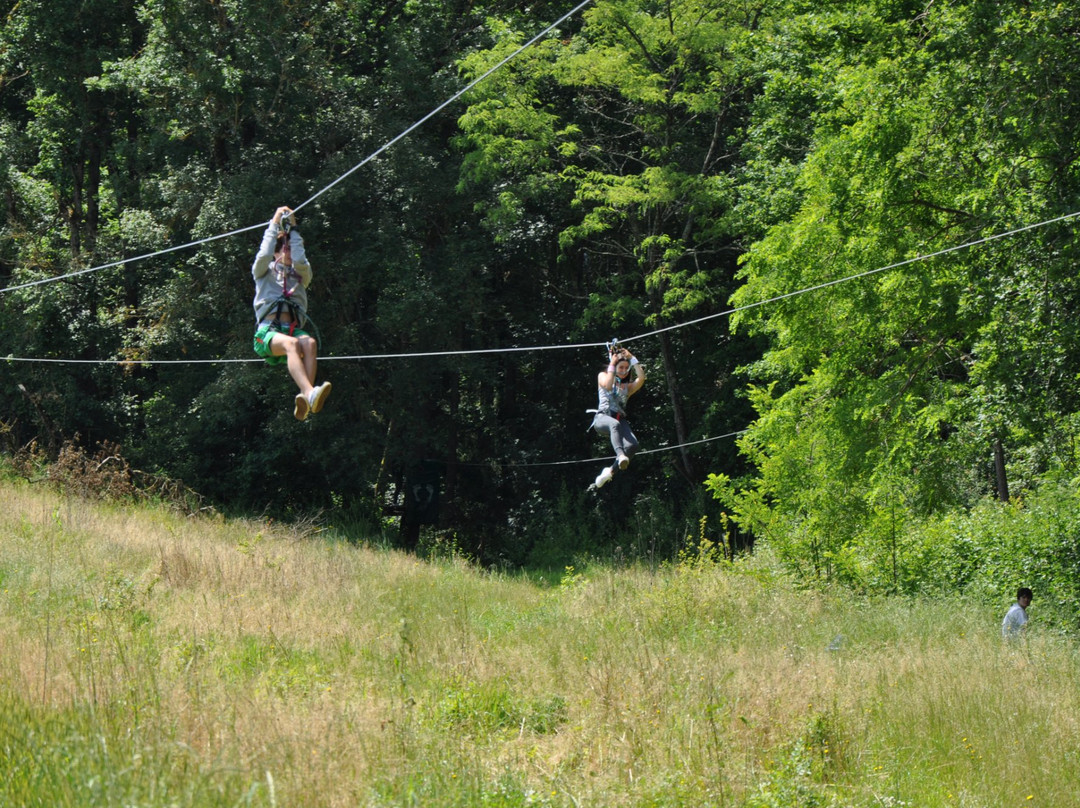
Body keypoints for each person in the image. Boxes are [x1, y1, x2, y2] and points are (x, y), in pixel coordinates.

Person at [251, 205, 331, 421]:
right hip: (267, 332)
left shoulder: (301, 276)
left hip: (292, 329)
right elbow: (264, 252)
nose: (288, 252)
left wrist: (294, 230)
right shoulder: (263, 272)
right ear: (276, 252)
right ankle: (309, 392)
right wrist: (275, 223)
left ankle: (307, 396)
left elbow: (301, 259)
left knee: (310, 343)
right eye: (284, 248)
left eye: (290, 249)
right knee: (292, 344)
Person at [589, 344, 646, 489]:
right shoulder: (602, 376)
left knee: (633, 446)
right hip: (603, 418)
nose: (624, 370)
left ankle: (609, 472)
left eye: (626, 368)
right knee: (614, 424)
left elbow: (641, 377)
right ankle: (620, 455)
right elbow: (608, 386)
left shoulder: (628, 388)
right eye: (621, 367)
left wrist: (632, 358)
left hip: (620, 419)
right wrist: (612, 364)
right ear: (614, 367)